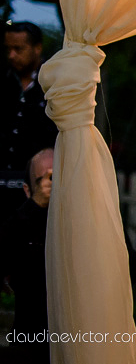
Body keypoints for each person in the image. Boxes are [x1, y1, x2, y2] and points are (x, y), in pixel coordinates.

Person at [1, 148, 53, 364]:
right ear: (27, 189)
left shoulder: (89, 216)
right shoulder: (23, 222)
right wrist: (34, 206)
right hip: (30, 341)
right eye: (45, 178)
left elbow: (131, 267)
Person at [2, 23, 57, 219]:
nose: (12, 56)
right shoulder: (5, 82)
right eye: (8, 49)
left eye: (18, 49)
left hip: (37, 186)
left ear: (37, 48)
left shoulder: (52, 84)